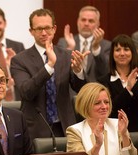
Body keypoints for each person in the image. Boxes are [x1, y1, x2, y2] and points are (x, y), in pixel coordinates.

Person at [10, 8, 87, 142]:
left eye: (47, 28)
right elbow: (26, 92)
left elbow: (81, 89)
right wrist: (49, 66)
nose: (44, 33)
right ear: (31, 31)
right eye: (39, 29)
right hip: (36, 129)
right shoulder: (20, 60)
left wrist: (78, 71)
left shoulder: (66, 55)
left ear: (54, 28)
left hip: (65, 126)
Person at [66, 82, 137, 155]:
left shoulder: (117, 125)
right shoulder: (75, 131)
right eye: (97, 103)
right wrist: (97, 145)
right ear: (86, 105)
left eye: (106, 102)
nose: (104, 107)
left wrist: (124, 134)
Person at [57, 5, 111, 82]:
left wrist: (96, 49)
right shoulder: (64, 42)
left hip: (95, 91)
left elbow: (105, 71)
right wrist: (69, 49)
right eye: (83, 20)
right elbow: (59, 69)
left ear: (98, 24)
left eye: (91, 21)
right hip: (71, 92)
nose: (86, 24)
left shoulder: (107, 46)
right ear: (77, 21)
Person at [98, 34, 138, 132]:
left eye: (126, 49)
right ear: (112, 54)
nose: (122, 53)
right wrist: (127, 90)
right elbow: (109, 111)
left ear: (133, 52)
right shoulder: (103, 82)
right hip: (114, 134)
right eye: (117, 50)